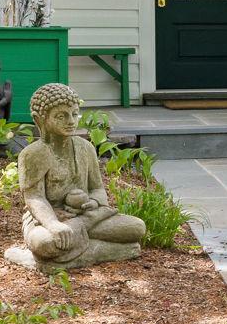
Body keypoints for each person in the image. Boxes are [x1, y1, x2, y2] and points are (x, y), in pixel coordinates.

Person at [8, 81, 145, 271]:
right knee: (45, 244)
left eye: (74, 114)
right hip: (48, 220)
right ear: (39, 120)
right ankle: (107, 250)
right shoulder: (33, 154)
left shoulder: (85, 148)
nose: (71, 121)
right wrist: (53, 224)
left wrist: (94, 203)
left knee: (136, 227)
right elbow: (34, 197)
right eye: (61, 116)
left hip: (85, 216)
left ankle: (68, 256)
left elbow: (97, 188)